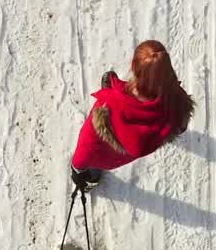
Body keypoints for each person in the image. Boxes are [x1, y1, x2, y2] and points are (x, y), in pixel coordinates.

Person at [70, 40, 196, 189]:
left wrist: (77, 168)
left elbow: (88, 141)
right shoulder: (177, 100)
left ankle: (92, 178)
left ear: (133, 67)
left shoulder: (107, 106)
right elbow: (180, 125)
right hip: (128, 152)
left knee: (93, 160)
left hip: (109, 155)